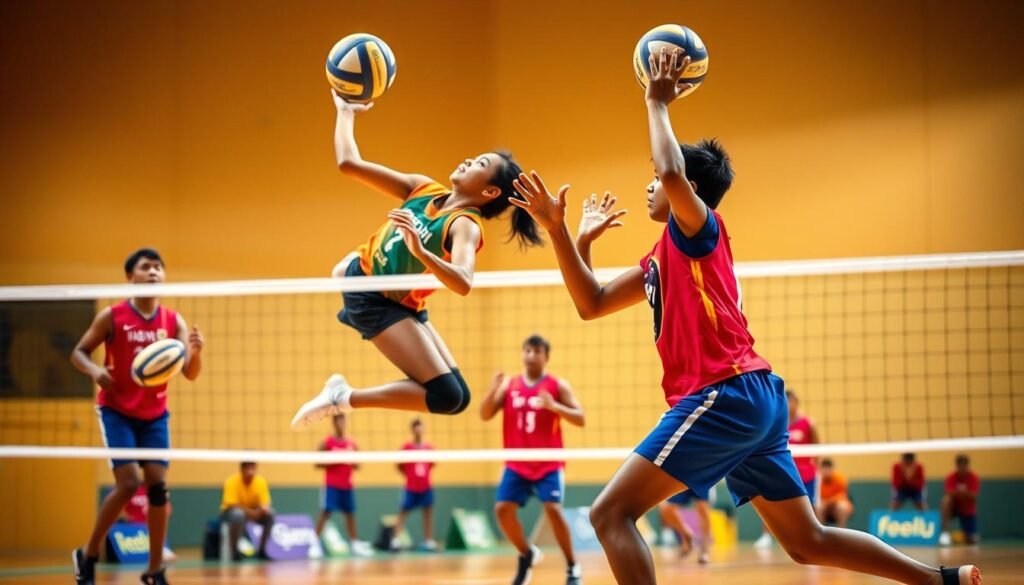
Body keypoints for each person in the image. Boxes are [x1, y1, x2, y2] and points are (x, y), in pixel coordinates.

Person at [506, 47, 980, 585]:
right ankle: (941, 579)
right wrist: (563, 232)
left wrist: (655, 101)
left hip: (723, 393)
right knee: (806, 541)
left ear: (689, 189)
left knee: (609, 514)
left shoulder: (700, 229)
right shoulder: (660, 259)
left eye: (658, 180)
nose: (650, 184)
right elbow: (589, 303)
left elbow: (668, 168)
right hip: (752, 398)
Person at [290, 89, 543, 428]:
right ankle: (342, 394)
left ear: (489, 192)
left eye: (480, 164)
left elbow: (464, 282)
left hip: (399, 303)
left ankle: (342, 391)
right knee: (447, 395)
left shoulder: (464, 226)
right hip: (371, 296)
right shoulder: (423, 188)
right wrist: (346, 110)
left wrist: (421, 251)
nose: (469, 160)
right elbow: (349, 163)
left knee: (456, 398)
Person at [71, 248, 204, 585]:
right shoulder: (112, 317)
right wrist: (94, 369)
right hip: (117, 412)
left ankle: (155, 569)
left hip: (155, 415)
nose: (154, 272)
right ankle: (88, 554)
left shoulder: (174, 321)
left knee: (158, 488)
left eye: (159, 267)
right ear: (130, 277)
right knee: (129, 483)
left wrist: (196, 352)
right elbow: (78, 353)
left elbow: (190, 373)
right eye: (146, 267)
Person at [479, 335, 585, 585]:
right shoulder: (510, 385)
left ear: (546, 356)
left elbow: (580, 418)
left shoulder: (558, 386)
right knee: (502, 510)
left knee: (553, 510)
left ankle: (572, 565)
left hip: (548, 462)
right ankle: (527, 554)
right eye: (527, 350)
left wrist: (555, 407)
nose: (530, 355)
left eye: (536, 351)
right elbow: (485, 414)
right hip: (516, 462)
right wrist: (493, 389)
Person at [755, 389, 819, 548]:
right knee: (769, 503)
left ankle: (815, 536)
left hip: (806, 473)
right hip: (782, 470)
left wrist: (815, 468)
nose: (788, 404)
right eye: (786, 400)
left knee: (811, 506)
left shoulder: (808, 423)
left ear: (797, 403)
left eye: (791, 401)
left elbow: (818, 447)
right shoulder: (777, 421)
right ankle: (766, 536)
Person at [314, 414, 373, 556]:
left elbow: (358, 465)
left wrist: (351, 461)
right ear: (333, 423)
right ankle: (314, 543)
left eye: (343, 420)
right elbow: (316, 463)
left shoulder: (352, 444)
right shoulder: (327, 442)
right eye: (338, 420)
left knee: (350, 514)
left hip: (347, 485)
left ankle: (354, 544)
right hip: (331, 485)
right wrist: (333, 460)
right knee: (326, 513)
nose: (341, 423)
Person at [391, 418, 438, 552]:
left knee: (428, 513)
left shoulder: (429, 448)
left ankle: (429, 541)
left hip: (426, 486)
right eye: (416, 426)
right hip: (410, 487)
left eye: (420, 426)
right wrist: (409, 475)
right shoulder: (406, 448)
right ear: (412, 430)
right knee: (402, 513)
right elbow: (399, 466)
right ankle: (394, 541)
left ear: (423, 429)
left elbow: (432, 465)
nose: (418, 429)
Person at [221, 461, 274, 561]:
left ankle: (262, 551)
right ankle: (235, 552)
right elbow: (232, 504)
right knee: (238, 515)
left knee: (270, 514)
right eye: (248, 469)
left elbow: (266, 502)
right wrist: (251, 513)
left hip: (254, 512)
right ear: (242, 469)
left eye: (253, 468)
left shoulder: (260, 481)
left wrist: (263, 509)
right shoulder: (231, 481)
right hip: (230, 512)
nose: (251, 472)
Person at [120, 486, 177, 563]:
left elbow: (167, 510)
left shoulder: (154, 490)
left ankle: (161, 549)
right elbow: (120, 511)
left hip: (151, 527)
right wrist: (130, 519)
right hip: (132, 529)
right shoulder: (129, 489)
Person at [658, 489, 714, 564]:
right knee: (666, 509)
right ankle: (688, 534)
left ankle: (704, 551)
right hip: (684, 479)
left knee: (703, 508)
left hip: (701, 479)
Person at [939, 455, 980, 546]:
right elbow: (948, 493)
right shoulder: (951, 477)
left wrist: (957, 493)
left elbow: (973, 496)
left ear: (967, 465)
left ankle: (966, 535)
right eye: (959, 466)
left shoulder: (973, 478)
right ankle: (944, 533)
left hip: (967, 510)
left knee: (972, 539)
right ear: (957, 466)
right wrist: (965, 493)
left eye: (964, 466)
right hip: (954, 508)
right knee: (946, 500)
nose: (962, 468)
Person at [817, 459, 854, 528]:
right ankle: (820, 533)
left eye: (828, 469)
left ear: (831, 469)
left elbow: (842, 495)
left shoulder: (839, 479)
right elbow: (817, 498)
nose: (826, 472)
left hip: (836, 507)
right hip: (823, 508)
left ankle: (842, 531)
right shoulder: (818, 480)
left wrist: (828, 502)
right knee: (818, 507)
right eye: (824, 469)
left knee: (842, 507)